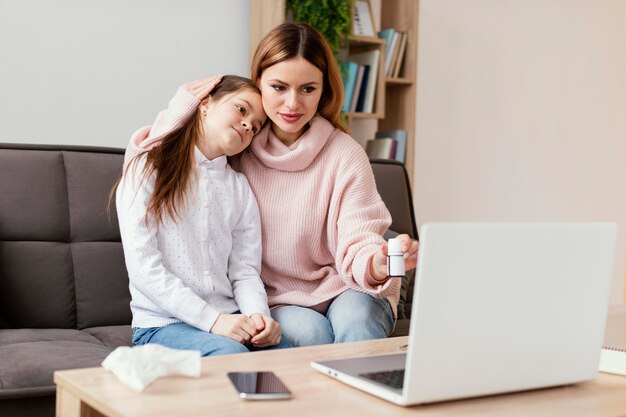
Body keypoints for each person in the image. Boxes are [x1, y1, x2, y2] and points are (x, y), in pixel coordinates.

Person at [126, 23, 419, 347]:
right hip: (281, 298)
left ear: (324, 92)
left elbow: (359, 237)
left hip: (350, 285)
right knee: (311, 335)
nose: (292, 104)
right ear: (259, 84)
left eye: (308, 89)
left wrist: (377, 265)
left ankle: (363, 395)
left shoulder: (345, 154)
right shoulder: (240, 145)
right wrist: (184, 107)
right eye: (279, 87)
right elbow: (160, 157)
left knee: (357, 321)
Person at [116, 75, 292, 356]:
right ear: (206, 104)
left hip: (230, 317)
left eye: (256, 127)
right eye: (242, 109)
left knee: (296, 356)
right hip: (164, 325)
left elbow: (244, 271)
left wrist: (260, 318)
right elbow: (143, 268)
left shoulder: (240, 188)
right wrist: (213, 321)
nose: (248, 125)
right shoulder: (148, 167)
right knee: (231, 356)